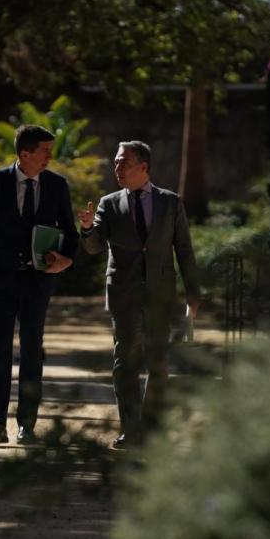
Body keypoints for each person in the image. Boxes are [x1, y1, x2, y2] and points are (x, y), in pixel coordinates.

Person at [79, 140, 202, 448]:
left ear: (143, 167)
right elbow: (94, 247)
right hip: (124, 294)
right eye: (117, 163)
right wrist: (86, 228)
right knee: (125, 361)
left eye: (124, 163)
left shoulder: (171, 202)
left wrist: (193, 292)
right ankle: (130, 429)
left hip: (161, 294)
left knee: (158, 362)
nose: (117, 168)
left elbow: (184, 249)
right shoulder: (109, 203)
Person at [0, 125, 78, 444]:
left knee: (32, 352)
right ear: (24, 153)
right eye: (45, 151)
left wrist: (65, 259)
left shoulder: (57, 185)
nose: (50, 158)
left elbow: (69, 233)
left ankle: (27, 426)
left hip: (37, 282)